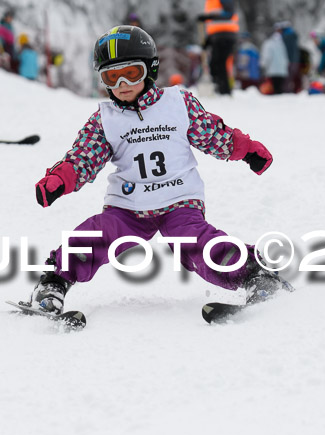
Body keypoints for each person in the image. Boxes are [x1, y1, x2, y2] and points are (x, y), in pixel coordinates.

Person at [30, 25, 293, 317]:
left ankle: (256, 274)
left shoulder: (177, 104)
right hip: (128, 206)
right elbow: (83, 158)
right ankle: (53, 283)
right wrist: (59, 180)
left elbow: (214, 135)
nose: (122, 84)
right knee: (95, 234)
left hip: (179, 200)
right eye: (111, 77)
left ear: (150, 70)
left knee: (194, 243)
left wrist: (247, 150)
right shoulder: (105, 119)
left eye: (131, 73)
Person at [197, 0, 239, 95]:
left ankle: (224, 90)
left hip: (226, 35)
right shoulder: (210, 2)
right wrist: (207, 42)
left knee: (221, 63)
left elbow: (229, 13)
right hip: (216, 37)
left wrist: (208, 17)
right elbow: (214, 26)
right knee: (214, 63)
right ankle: (218, 88)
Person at [260, 23, 289, 95]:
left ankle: (275, 104)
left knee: (273, 89)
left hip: (272, 70)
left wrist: (263, 65)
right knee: (279, 88)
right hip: (282, 70)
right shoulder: (282, 44)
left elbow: (267, 57)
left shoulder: (268, 44)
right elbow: (285, 56)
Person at [279, 21, 301, 93]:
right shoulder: (293, 35)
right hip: (295, 60)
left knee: (287, 78)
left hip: (288, 60)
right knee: (293, 77)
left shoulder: (285, 36)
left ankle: (286, 92)